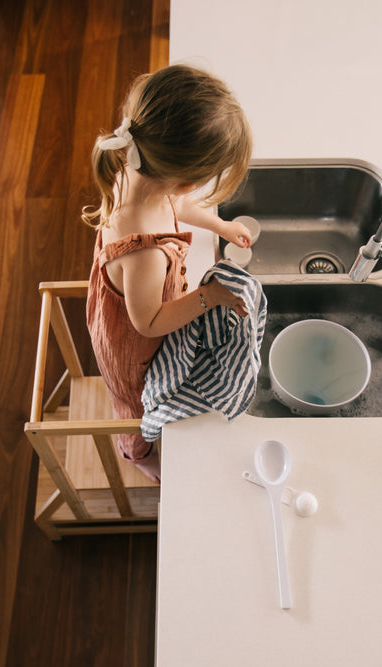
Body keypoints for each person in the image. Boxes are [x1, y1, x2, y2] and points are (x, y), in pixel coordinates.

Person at [83, 64, 253, 483]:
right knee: (133, 407)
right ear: (182, 182)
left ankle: (136, 444)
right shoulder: (146, 254)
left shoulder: (137, 171)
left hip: (127, 304)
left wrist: (220, 226)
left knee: (133, 402)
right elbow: (150, 322)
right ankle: (134, 452)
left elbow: (174, 207)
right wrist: (208, 297)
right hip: (131, 346)